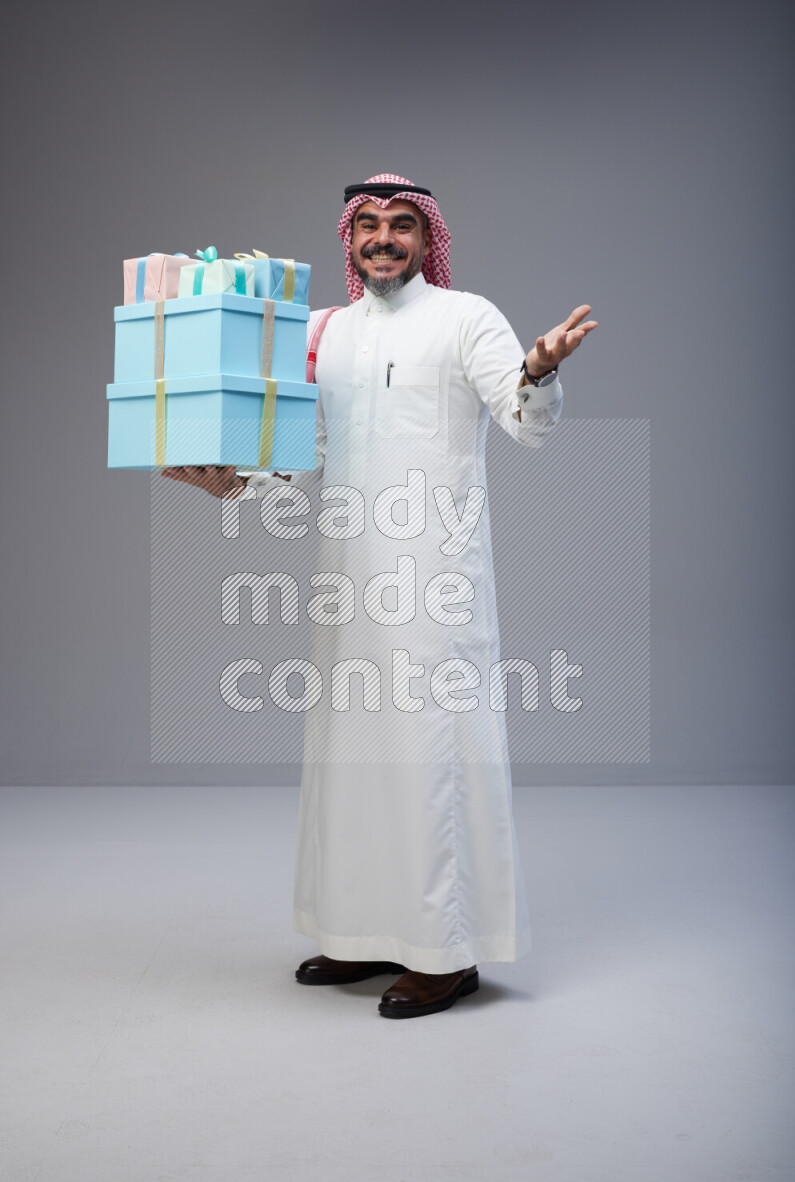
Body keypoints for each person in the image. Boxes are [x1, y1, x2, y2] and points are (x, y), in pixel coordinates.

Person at [163, 174, 596, 1018]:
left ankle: (446, 952)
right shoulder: (324, 332)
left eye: (403, 225)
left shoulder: (466, 317)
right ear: (349, 239)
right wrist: (235, 486)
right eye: (370, 225)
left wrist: (539, 372)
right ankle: (361, 932)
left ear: (426, 238)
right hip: (347, 576)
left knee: (431, 754)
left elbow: (525, 422)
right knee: (351, 755)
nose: (386, 238)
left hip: (436, 578)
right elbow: (302, 449)